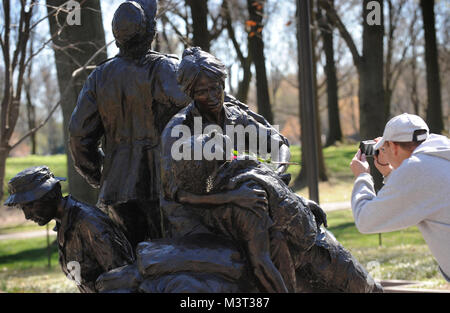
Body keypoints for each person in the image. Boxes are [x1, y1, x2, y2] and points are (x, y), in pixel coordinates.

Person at [161, 47, 381, 293]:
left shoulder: (233, 118)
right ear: (190, 93)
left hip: (241, 194)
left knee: (301, 225)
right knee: (273, 236)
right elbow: (176, 194)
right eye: (202, 92)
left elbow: (277, 144)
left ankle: (361, 285)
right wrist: (233, 197)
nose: (212, 96)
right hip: (196, 212)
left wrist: (276, 175)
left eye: (216, 87)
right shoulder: (178, 130)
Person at [68, 0, 191, 248]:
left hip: (116, 189)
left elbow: (78, 135)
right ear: (150, 34)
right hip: (163, 187)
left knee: (130, 264)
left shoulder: (99, 77)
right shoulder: (166, 69)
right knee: (169, 261)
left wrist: (98, 174)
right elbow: (196, 116)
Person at [350, 113, 450, 282]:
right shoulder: (441, 153)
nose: (384, 153)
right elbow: (416, 196)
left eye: (385, 147)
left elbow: (366, 220)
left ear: (394, 147)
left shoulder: (416, 169)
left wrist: (362, 177)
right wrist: (389, 172)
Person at [4, 166, 135, 293]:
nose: (27, 216)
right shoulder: (65, 225)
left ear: (52, 194)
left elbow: (123, 279)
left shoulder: (89, 223)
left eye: (30, 205)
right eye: (23, 208)